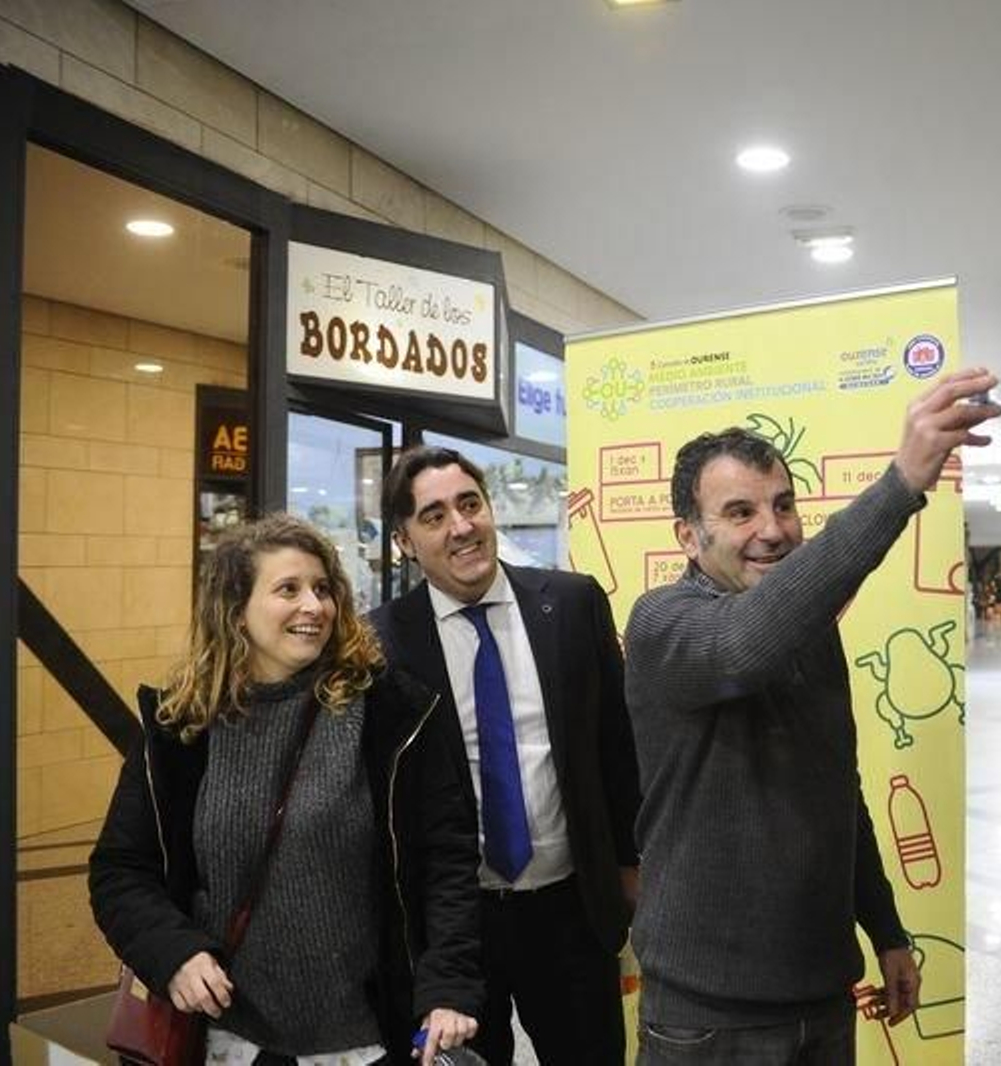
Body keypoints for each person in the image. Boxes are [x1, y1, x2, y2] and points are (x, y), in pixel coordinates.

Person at [624, 366, 1000, 1063]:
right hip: (709, 1022)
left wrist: (885, 931)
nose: (773, 529)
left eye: (785, 505)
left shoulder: (809, 632)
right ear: (687, 537)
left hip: (823, 999)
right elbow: (743, 645)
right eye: (740, 513)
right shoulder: (663, 623)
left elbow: (838, 792)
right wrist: (900, 486)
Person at [89, 513, 482, 1066]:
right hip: (230, 1042)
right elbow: (119, 871)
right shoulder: (182, 728)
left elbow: (446, 863)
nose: (314, 607)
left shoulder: (392, 715)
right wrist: (173, 954)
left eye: (323, 589)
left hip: (366, 1044)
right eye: (288, 590)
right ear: (237, 612)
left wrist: (447, 988)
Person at [369, 445, 642, 1066]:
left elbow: (615, 746)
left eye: (470, 505)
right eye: (434, 516)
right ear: (406, 542)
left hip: (572, 910)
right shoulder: (380, 643)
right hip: (455, 931)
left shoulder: (571, 605)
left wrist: (629, 865)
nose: (462, 527)